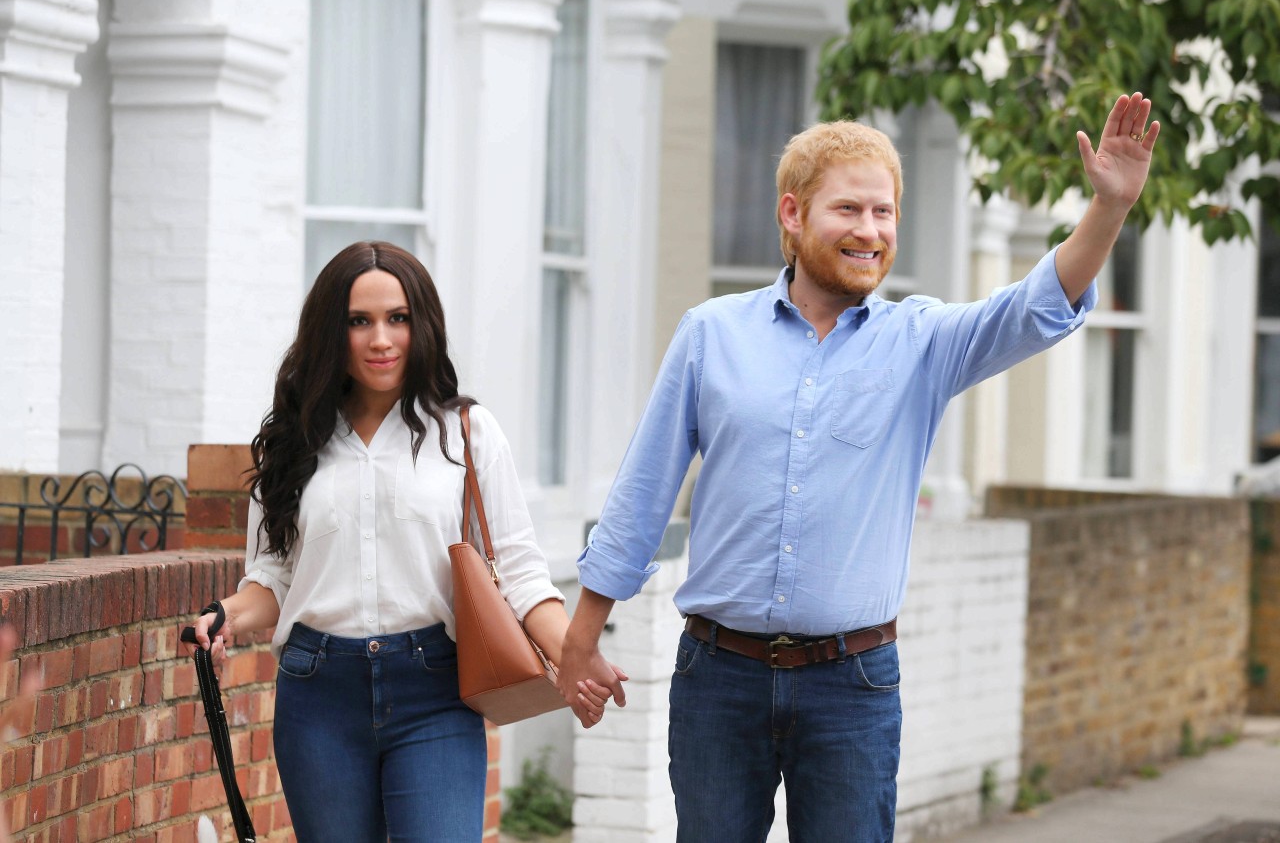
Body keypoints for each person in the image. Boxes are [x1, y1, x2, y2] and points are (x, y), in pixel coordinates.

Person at [558, 93, 1162, 842]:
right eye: (849, 209)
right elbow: (643, 492)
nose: (870, 231)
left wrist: (1108, 209)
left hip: (853, 685)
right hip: (719, 678)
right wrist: (582, 634)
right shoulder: (711, 334)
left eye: (884, 214)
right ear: (792, 213)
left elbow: (1035, 306)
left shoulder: (922, 341)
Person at [186, 241, 613, 842]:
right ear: (332, 331)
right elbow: (274, 580)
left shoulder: (465, 433)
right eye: (359, 321)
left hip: (433, 689)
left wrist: (574, 655)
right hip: (318, 695)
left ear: (422, 325)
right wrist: (225, 615)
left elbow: (518, 572)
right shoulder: (295, 442)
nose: (380, 339)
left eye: (397, 319)